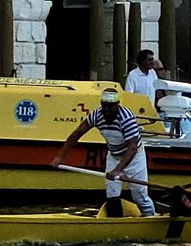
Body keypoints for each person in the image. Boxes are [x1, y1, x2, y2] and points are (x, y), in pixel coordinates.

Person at [52, 87, 157, 216]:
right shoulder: (97, 115)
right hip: (114, 156)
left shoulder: (126, 118)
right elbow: (76, 134)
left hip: (134, 158)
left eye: (110, 107)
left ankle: (150, 218)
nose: (106, 110)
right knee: (112, 196)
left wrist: (117, 170)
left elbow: (133, 148)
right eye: (104, 106)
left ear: (117, 105)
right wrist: (60, 157)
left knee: (139, 196)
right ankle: (115, 225)